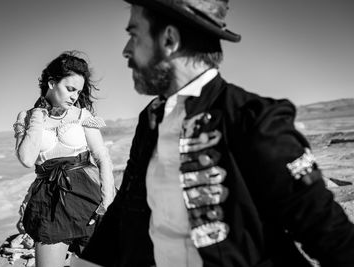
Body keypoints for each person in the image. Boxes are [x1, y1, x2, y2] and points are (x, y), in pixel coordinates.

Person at [81, 1, 354, 267]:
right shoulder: (152, 118)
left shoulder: (252, 118)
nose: (126, 50)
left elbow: (328, 232)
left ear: (169, 39)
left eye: (134, 35)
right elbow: (127, 208)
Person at [13, 51, 115, 267]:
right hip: (49, 204)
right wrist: (38, 117)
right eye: (70, 89)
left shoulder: (82, 115)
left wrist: (107, 203)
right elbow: (27, 159)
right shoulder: (28, 117)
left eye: (78, 91)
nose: (74, 96)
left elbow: (103, 158)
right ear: (51, 83)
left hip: (88, 199)